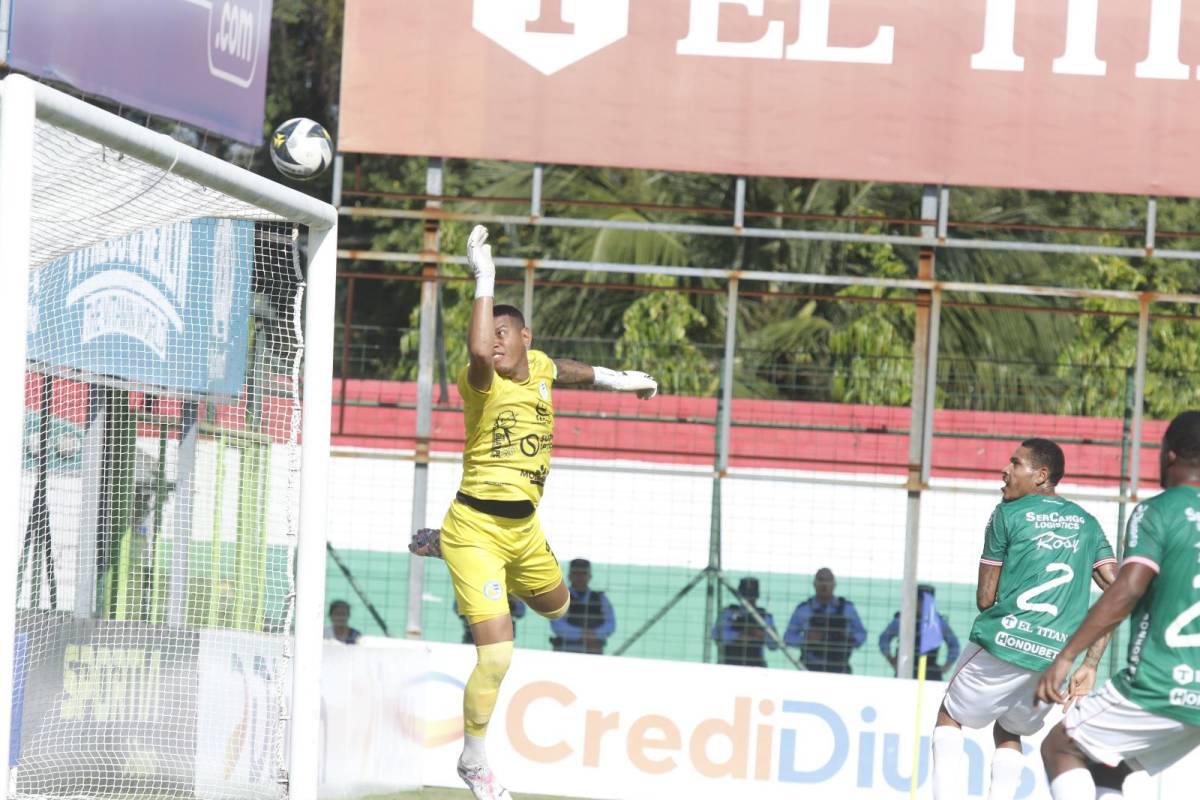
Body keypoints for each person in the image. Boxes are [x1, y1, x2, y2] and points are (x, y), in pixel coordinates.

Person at [408, 225, 657, 800]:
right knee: (497, 657)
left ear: (525, 336)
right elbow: (474, 350)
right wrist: (484, 277)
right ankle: (474, 760)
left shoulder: (539, 367)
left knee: (558, 607)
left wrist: (622, 380)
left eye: (503, 332)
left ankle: (444, 545)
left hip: (524, 531)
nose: (492, 341)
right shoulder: (482, 383)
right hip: (475, 528)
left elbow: (565, 368)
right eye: (487, 330)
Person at [931, 438, 1117, 800]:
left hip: (1003, 641)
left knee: (949, 717)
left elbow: (985, 599)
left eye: (1016, 464)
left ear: (1040, 476)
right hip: (1055, 658)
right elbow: (1118, 590)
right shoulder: (1088, 523)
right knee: (1008, 729)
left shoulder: (1006, 514)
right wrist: (1091, 663)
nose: (1005, 470)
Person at [1036, 412, 1200, 800]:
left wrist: (1068, 656)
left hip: (1159, 686)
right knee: (1110, 764)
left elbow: (1127, 589)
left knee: (1060, 746)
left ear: (1170, 456)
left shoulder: (1159, 510)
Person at [783, 568, 866, 673]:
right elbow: (788, 637)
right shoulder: (804, 610)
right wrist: (806, 639)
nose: (824, 585)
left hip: (840, 667)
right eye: (821, 580)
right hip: (810, 667)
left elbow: (861, 634)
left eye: (828, 580)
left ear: (834, 584)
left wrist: (848, 639)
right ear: (814, 584)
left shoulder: (847, 609)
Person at [879, 584, 960, 680]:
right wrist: (891, 659)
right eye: (920, 601)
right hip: (906, 667)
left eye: (925, 601)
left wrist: (946, 666)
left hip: (930, 670)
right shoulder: (903, 620)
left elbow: (954, 645)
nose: (922, 605)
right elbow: (884, 639)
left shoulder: (937, 622)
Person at [549, 558, 616, 654]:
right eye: (576, 573)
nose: (579, 577)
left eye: (583, 573)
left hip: (592, 651)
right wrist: (582, 634)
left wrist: (595, 635)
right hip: (565, 650)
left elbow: (610, 625)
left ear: (590, 576)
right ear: (569, 576)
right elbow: (557, 626)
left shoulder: (601, 599)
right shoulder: (560, 597)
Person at [712, 576, 779, 667]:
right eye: (745, 595)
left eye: (751, 595)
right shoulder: (729, 613)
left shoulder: (764, 616)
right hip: (730, 663)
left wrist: (762, 635)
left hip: (755, 665)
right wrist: (746, 635)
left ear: (756, 596)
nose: (748, 599)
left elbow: (774, 645)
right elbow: (718, 636)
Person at [458, 596, 526, 645]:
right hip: (474, 635)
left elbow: (520, 612)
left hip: (502, 637)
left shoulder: (511, 595)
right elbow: (459, 610)